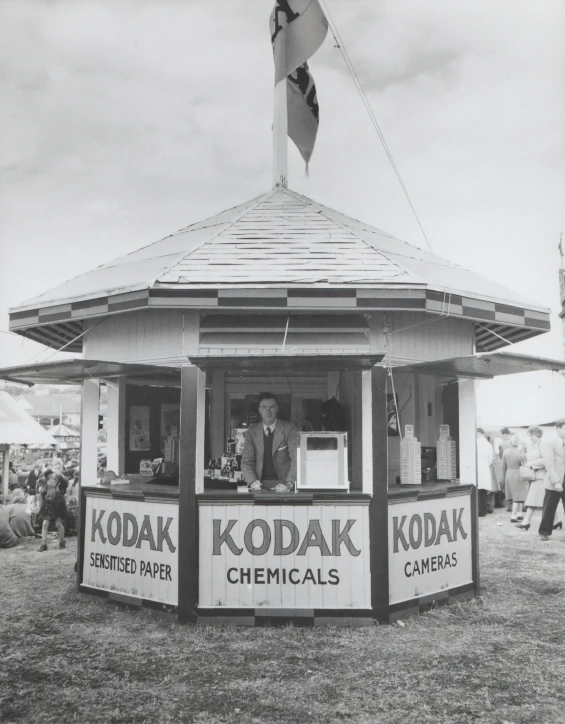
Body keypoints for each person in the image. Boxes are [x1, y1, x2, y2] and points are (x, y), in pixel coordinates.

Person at [242, 392, 298, 492]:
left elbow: (296, 459)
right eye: (264, 407)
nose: (268, 411)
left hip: (283, 485)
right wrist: (252, 481)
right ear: (259, 410)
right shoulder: (252, 431)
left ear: (277, 408)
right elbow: (246, 461)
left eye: (272, 407)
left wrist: (289, 483)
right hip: (259, 485)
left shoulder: (289, 429)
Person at [538, 419, 565, 541]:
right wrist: (556, 481)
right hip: (554, 479)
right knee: (549, 507)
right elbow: (549, 464)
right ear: (558, 428)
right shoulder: (549, 443)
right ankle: (544, 532)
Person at [518, 427, 547, 530]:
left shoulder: (543, 444)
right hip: (534, 476)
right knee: (543, 501)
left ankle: (526, 521)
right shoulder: (532, 446)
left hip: (541, 476)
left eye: (532, 435)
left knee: (533, 499)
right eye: (529, 435)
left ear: (538, 434)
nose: (530, 437)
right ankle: (556, 521)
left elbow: (545, 460)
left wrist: (531, 464)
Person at [38, 469, 68, 552]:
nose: (51, 477)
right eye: (49, 476)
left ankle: (62, 541)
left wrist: (60, 475)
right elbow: (42, 493)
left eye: (52, 475)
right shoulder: (45, 482)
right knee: (45, 523)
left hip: (57, 504)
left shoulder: (59, 481)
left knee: (58, 524)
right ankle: (44, 544)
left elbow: (65, 483)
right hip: (48, 504)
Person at [502, 435, 528, 522]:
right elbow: (524, 464)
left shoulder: (505, 451)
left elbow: (503, 466)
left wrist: (503, 476)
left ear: (511, 442)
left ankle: (519, 514)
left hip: (509, 473)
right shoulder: (520, 452)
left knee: (515, 495)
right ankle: (514, 516)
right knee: (518, 495)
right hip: (518, 473)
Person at [476, 429, 495, 516]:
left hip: (477, 465)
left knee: (478, 489)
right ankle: (484, 510)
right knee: (483, 490)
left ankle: (479, 510)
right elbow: (491, 459)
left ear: (477, 433)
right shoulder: (488, 444)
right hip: (485, 466)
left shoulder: (476, 442)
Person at [498, 428, 513, 510]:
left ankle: (509, 505)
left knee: (506, 485)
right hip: (516, 467)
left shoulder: (502, 445)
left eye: (501, 435)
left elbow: (501, 457)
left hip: (506, 468)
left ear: (504, 434)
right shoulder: (516, 442)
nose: (501, 437)